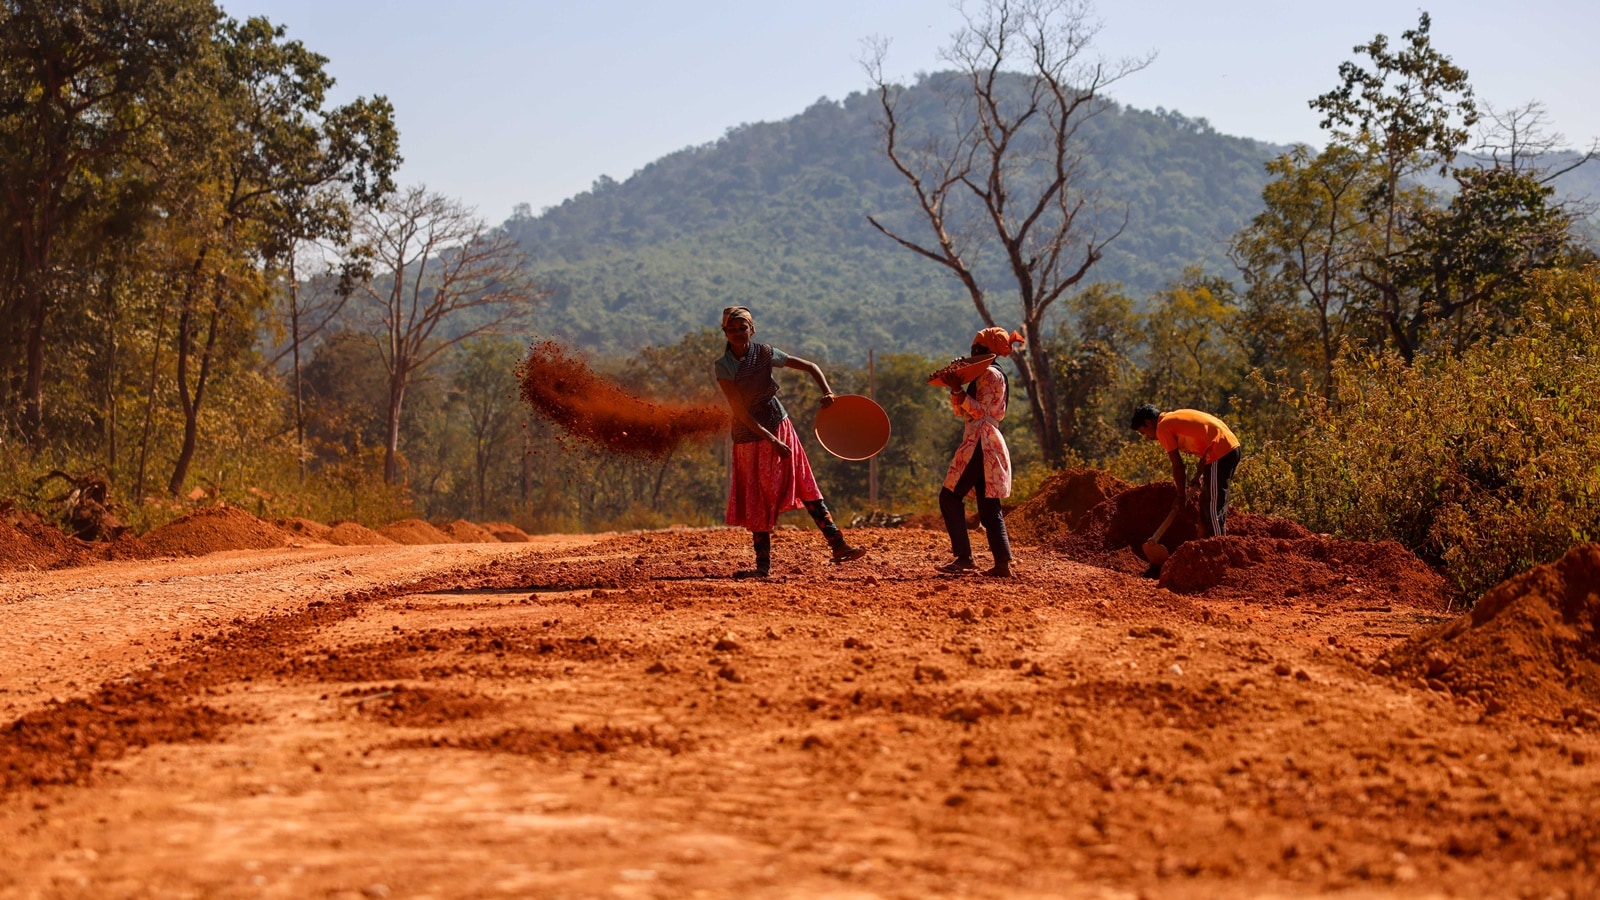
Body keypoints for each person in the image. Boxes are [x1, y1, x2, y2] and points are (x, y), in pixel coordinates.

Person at [714, 306, 866, 578]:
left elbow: (810, 367)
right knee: (758, 495)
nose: (738, 333)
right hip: (750, 434)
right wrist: (771, 440)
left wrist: (827, 392)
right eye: (732, 329)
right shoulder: (723, 367)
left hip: (779, 423)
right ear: (725, 332)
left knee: (804, 482)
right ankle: (762, 566)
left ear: (752, 329)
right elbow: (740, 411)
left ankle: (838, 544)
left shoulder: (764, 353)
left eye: (742, 328)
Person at [936, 326, 1024, 577]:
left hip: (980, 441)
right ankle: (1001, 563)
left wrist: (957, 390)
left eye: (978, 348)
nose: (972, 351)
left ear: (989, 351)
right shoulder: (986, 374)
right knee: (988, 504)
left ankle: (964, 557)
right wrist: (957, 389)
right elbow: (962, 412)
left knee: (950, 496)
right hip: (984, 440)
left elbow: (978, 412)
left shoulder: (990, 375)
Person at [1130, 404, 1241, 537]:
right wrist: (1199, 474)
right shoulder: (1174, 418)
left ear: (1148, 423)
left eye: (1143, 432)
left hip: (1220, 451)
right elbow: (1207, 443)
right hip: (1228, 448)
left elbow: (1178, 466)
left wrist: (1180, 496)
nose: (1147, 437)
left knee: (1213, 505)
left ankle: (1219, 546)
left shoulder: (1163, 427)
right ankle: (1207, 544)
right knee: (1207, 501)